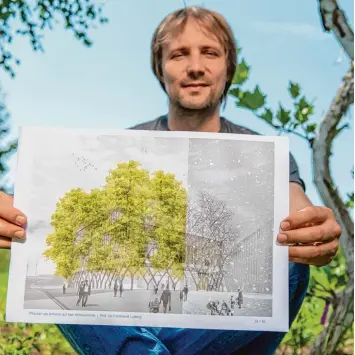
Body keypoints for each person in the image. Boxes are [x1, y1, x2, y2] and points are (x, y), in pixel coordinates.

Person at [0, 6, 342, 355]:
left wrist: (316, 230)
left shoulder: (266, 155)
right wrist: (13, 213)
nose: (195, 66)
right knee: (58, 255)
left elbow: (296, 206)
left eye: (210, 52)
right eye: (179, 54)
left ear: (228, 68)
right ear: (160, 68)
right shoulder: (122, 151)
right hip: (136, 318)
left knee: (291, 262)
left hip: (219, 324)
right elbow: (48, 211)